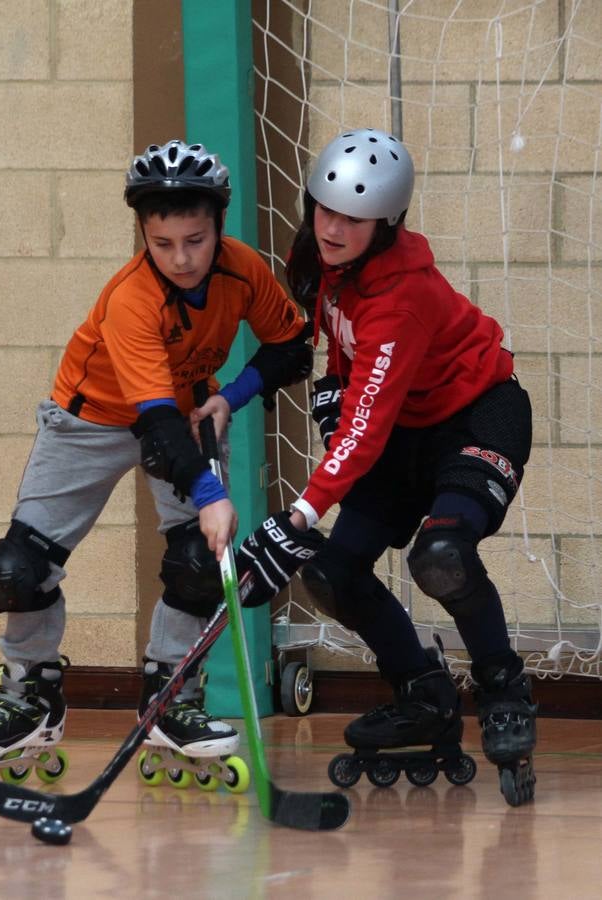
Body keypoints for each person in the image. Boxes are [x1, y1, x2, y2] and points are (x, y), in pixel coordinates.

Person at [0, 139, 312, 782]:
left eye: (195, 240)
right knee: (18, 565)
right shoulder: (132, 298)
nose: (181, 259)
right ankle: (31, 694)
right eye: (161, 243)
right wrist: (213, 494)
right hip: (92, 419)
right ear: (143, 233)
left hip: (188, 409)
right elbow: (155, 426)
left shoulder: (243, 269)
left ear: (219, 226)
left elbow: (293, 345)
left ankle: (173, 696)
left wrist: (230, 396)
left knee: (199, 561)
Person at [235, 128, 537, 805]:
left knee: (442, 556)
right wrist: (328, 391)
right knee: (332, 573)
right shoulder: (311, 253)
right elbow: (338, 353)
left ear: (388, 222)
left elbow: (366, 427)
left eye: (354, 217)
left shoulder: (403, 297)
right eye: (325, 209)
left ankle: (501, 687)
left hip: (476, 416)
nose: (334, 227)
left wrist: (298, 513)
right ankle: (423, 693)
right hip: (405, 426)